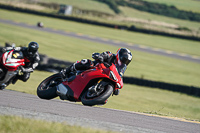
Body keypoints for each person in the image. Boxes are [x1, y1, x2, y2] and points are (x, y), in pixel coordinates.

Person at [60, 48, 132, 95]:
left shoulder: (121, 68)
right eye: (124, 59)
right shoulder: (110, 55)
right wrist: (100, 56)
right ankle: (67, 71)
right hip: (96, 67)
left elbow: (119, 76)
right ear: (119, 55)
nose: (124, 61)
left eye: (127, 61)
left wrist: (115, 88)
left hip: (105, 75)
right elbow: (103, 55)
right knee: (87, 62)